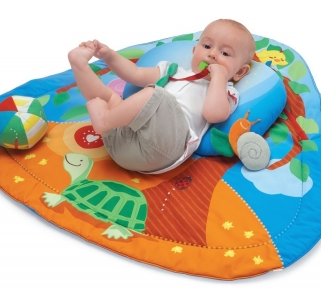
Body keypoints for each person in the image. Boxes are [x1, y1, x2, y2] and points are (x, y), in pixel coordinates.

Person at [67, 19, 255, 174]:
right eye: (206, 46)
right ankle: (79, 64)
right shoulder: (172, 72)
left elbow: (214, 114)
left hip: (162, 149)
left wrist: (219, 78)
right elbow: (134, 73)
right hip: (122, 144)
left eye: (225, 53)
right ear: (194, 51)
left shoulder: (225, 91)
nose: (212, 54)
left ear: (240, 72)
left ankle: (104, 120)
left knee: (156, 94)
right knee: (111, 99)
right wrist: (108, 55)